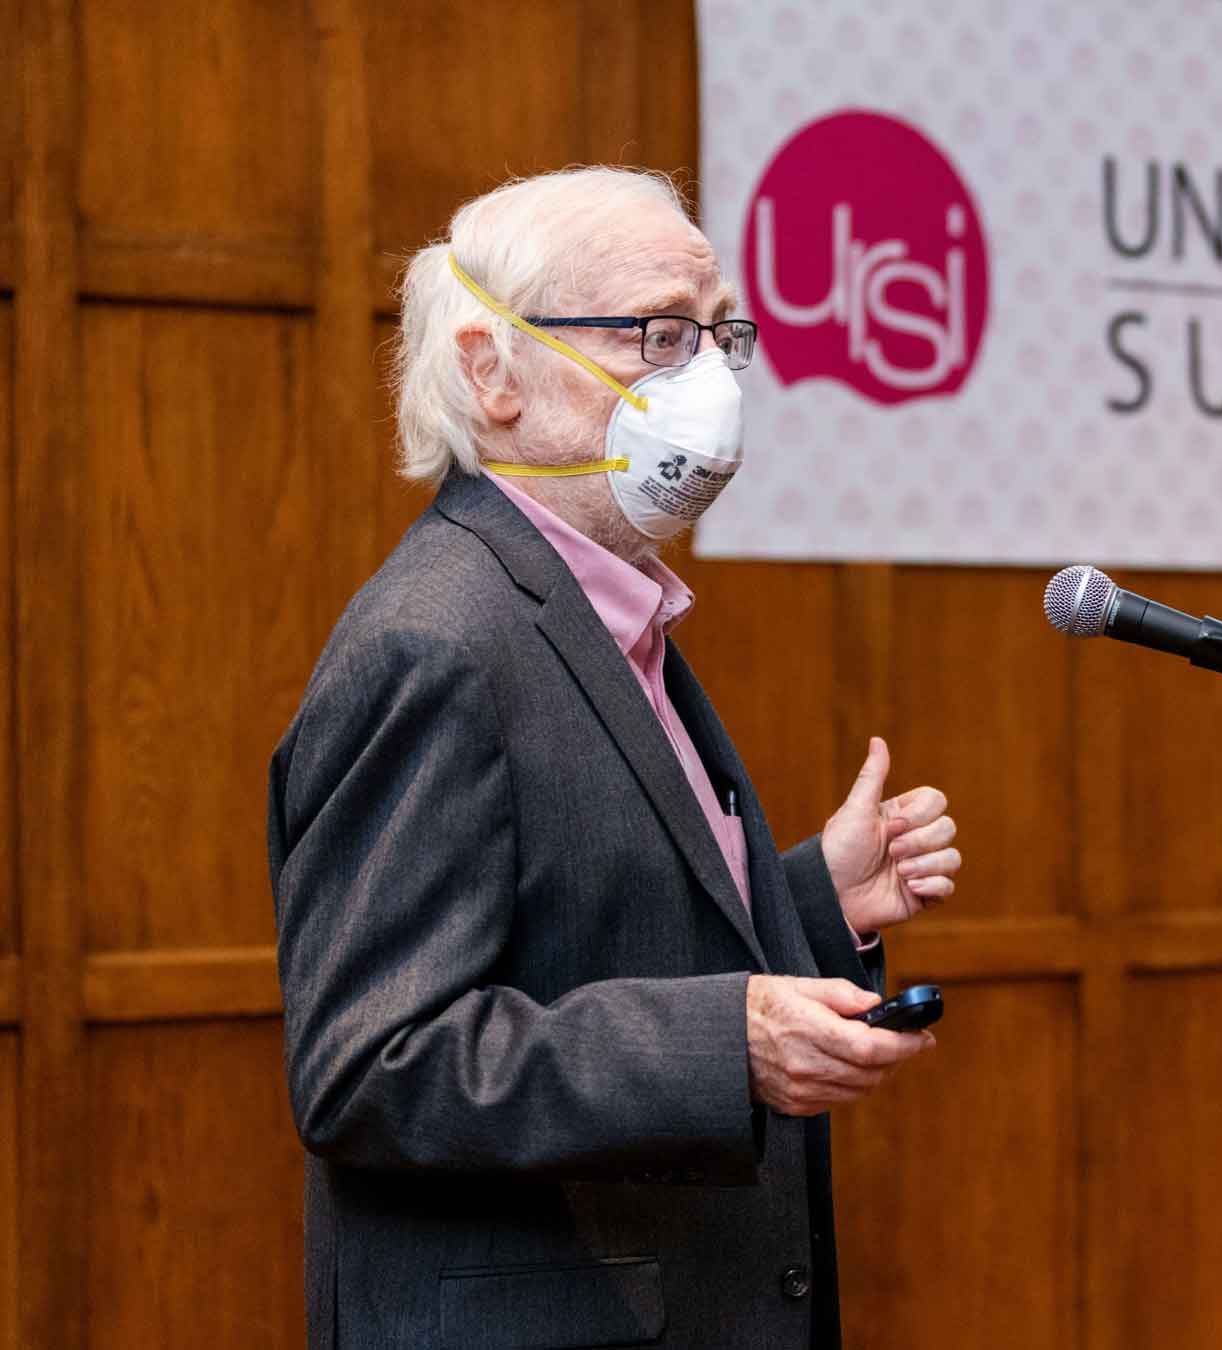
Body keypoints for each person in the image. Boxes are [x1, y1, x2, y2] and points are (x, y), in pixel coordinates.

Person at [267, 166, 961, 1349]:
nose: (709, 380)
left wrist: (807, 900)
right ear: (492, 373)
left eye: (720, 336)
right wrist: (722, 1042)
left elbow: (593, 928)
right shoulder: (436, 641)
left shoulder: (605, 610)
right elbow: (371, 1065)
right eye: (659, 334)